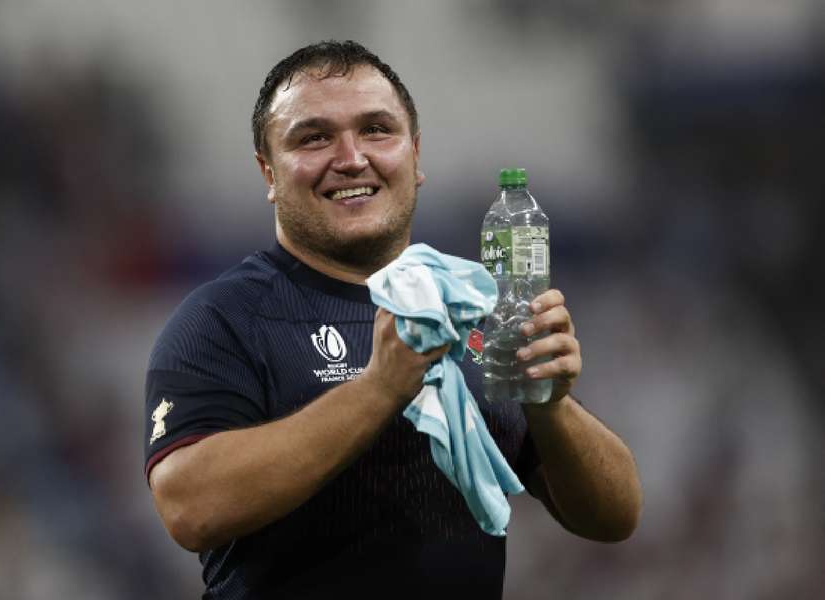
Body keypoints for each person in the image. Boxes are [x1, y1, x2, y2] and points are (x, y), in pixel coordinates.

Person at [144, 40, 641, 599]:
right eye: (313, 138)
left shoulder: (468, 308)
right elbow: (191, 508)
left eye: (377, 130)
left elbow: (615, 516)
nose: (352, 157)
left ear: (414, 155)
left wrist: (550, 407)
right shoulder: (223, 319)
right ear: (268, 172)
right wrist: (380, 388)